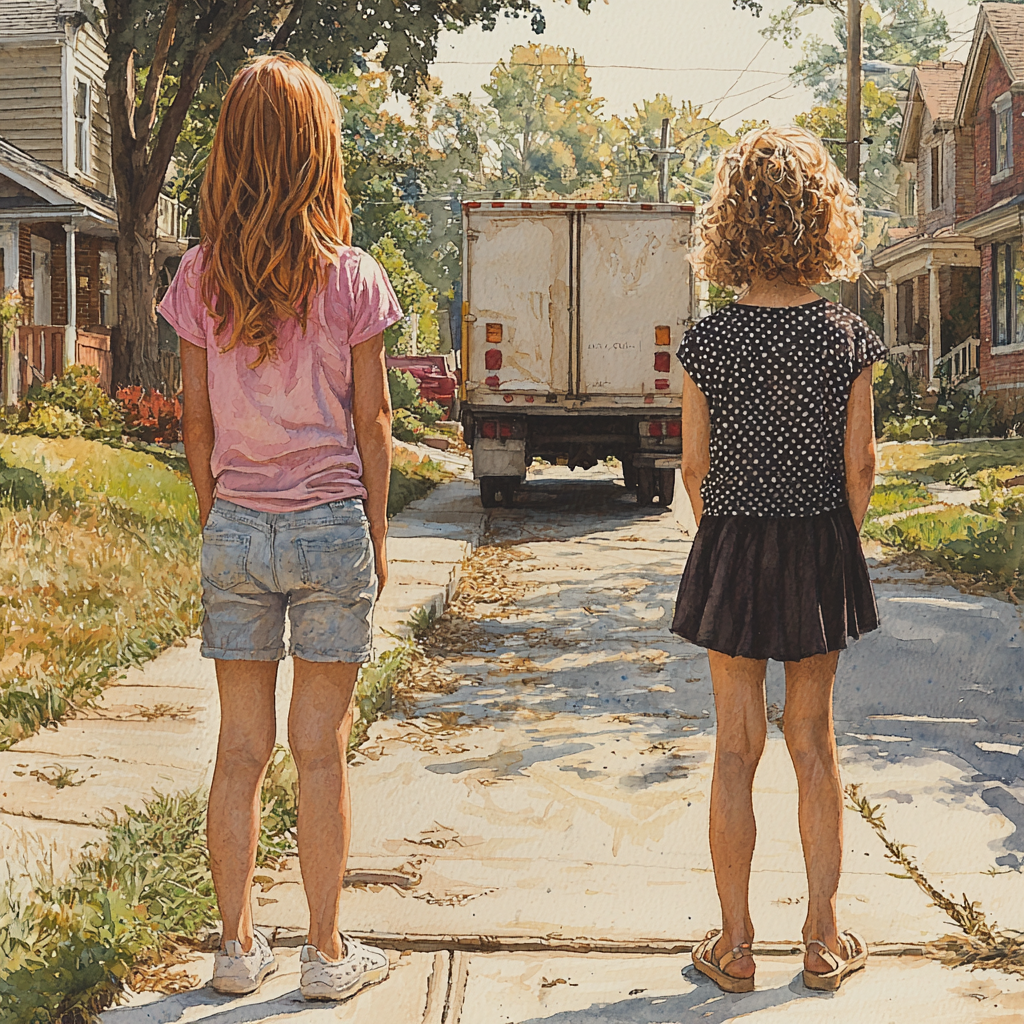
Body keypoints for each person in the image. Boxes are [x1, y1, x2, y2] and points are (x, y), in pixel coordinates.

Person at [161, 55, 402, 1002]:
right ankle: (326, 955)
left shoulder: (198, 278)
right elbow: (375, 426)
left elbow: (194, 420)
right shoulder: (351, 280)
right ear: (319, 155)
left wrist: (214, 509)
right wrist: (377, 535)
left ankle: (232, 949)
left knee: (238, 749)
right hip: (329, 522)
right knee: (319, 749)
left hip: (238, 526)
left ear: (229, 154)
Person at [673, 126, 884, 994]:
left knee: (734, 747)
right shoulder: (846, 337)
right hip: (816, 541)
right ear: (822, 220)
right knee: (814, 743)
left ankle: (735, 944)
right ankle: (825, 939)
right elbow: (861, 465)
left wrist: (719, 530)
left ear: (732, 227)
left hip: (733, 539)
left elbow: (692, 463)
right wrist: (841, 535)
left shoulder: (710, 342)